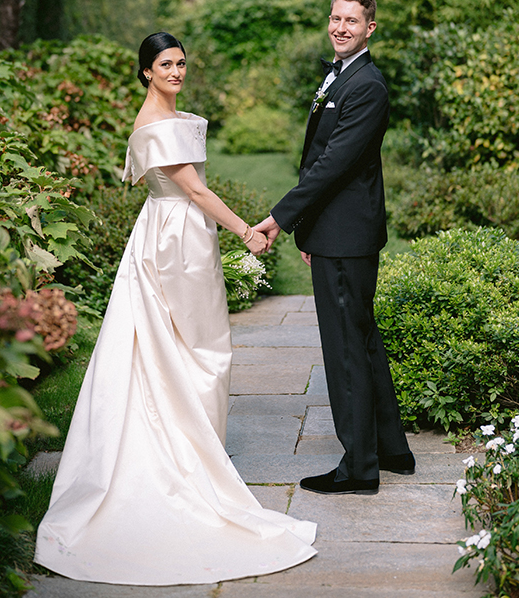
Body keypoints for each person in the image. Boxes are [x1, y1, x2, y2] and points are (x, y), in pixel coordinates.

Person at [35, 32, 317, 585]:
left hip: (176, 233)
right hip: (177, 237)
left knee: (192, 344)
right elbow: (193, 189)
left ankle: (196, 450)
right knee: (201, 345)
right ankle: (193, 465)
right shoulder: (155, 124)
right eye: (165, 64)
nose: (176, 71)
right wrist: (246, 232)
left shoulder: (168, 117)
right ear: (145, 72)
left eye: (182, 63)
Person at [255, 0, 414, 496]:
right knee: (363, 340)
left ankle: (359, 469)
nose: (340, 27)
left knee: (346, 349)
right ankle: (392, 449)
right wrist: (311, 228)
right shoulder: (341, 76)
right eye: (335, 18)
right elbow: (322, 160)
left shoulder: (367, 86)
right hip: (338, 231)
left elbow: (332, 166)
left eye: (352, 20)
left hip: (348, 235)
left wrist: (281, 218)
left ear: (371, 28)